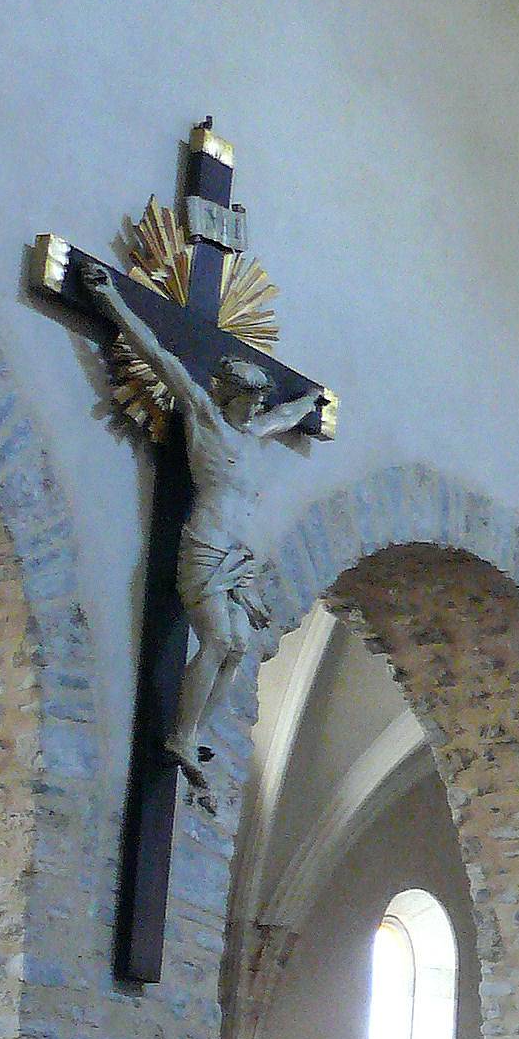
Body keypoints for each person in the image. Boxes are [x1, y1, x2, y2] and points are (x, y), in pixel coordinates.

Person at [80, 258, 321, 788]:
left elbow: (285, 418)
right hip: (206, 543)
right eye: (250, 398)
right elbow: (158, 354)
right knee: (216, 640)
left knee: (236, 647)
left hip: (235, 554)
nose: (257, 406)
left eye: (260, 400)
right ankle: (180, 735)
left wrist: (309, 401)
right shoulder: (204, 417)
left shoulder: (255, 431)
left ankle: (192, 733)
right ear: (229, 394)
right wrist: (111, 301)